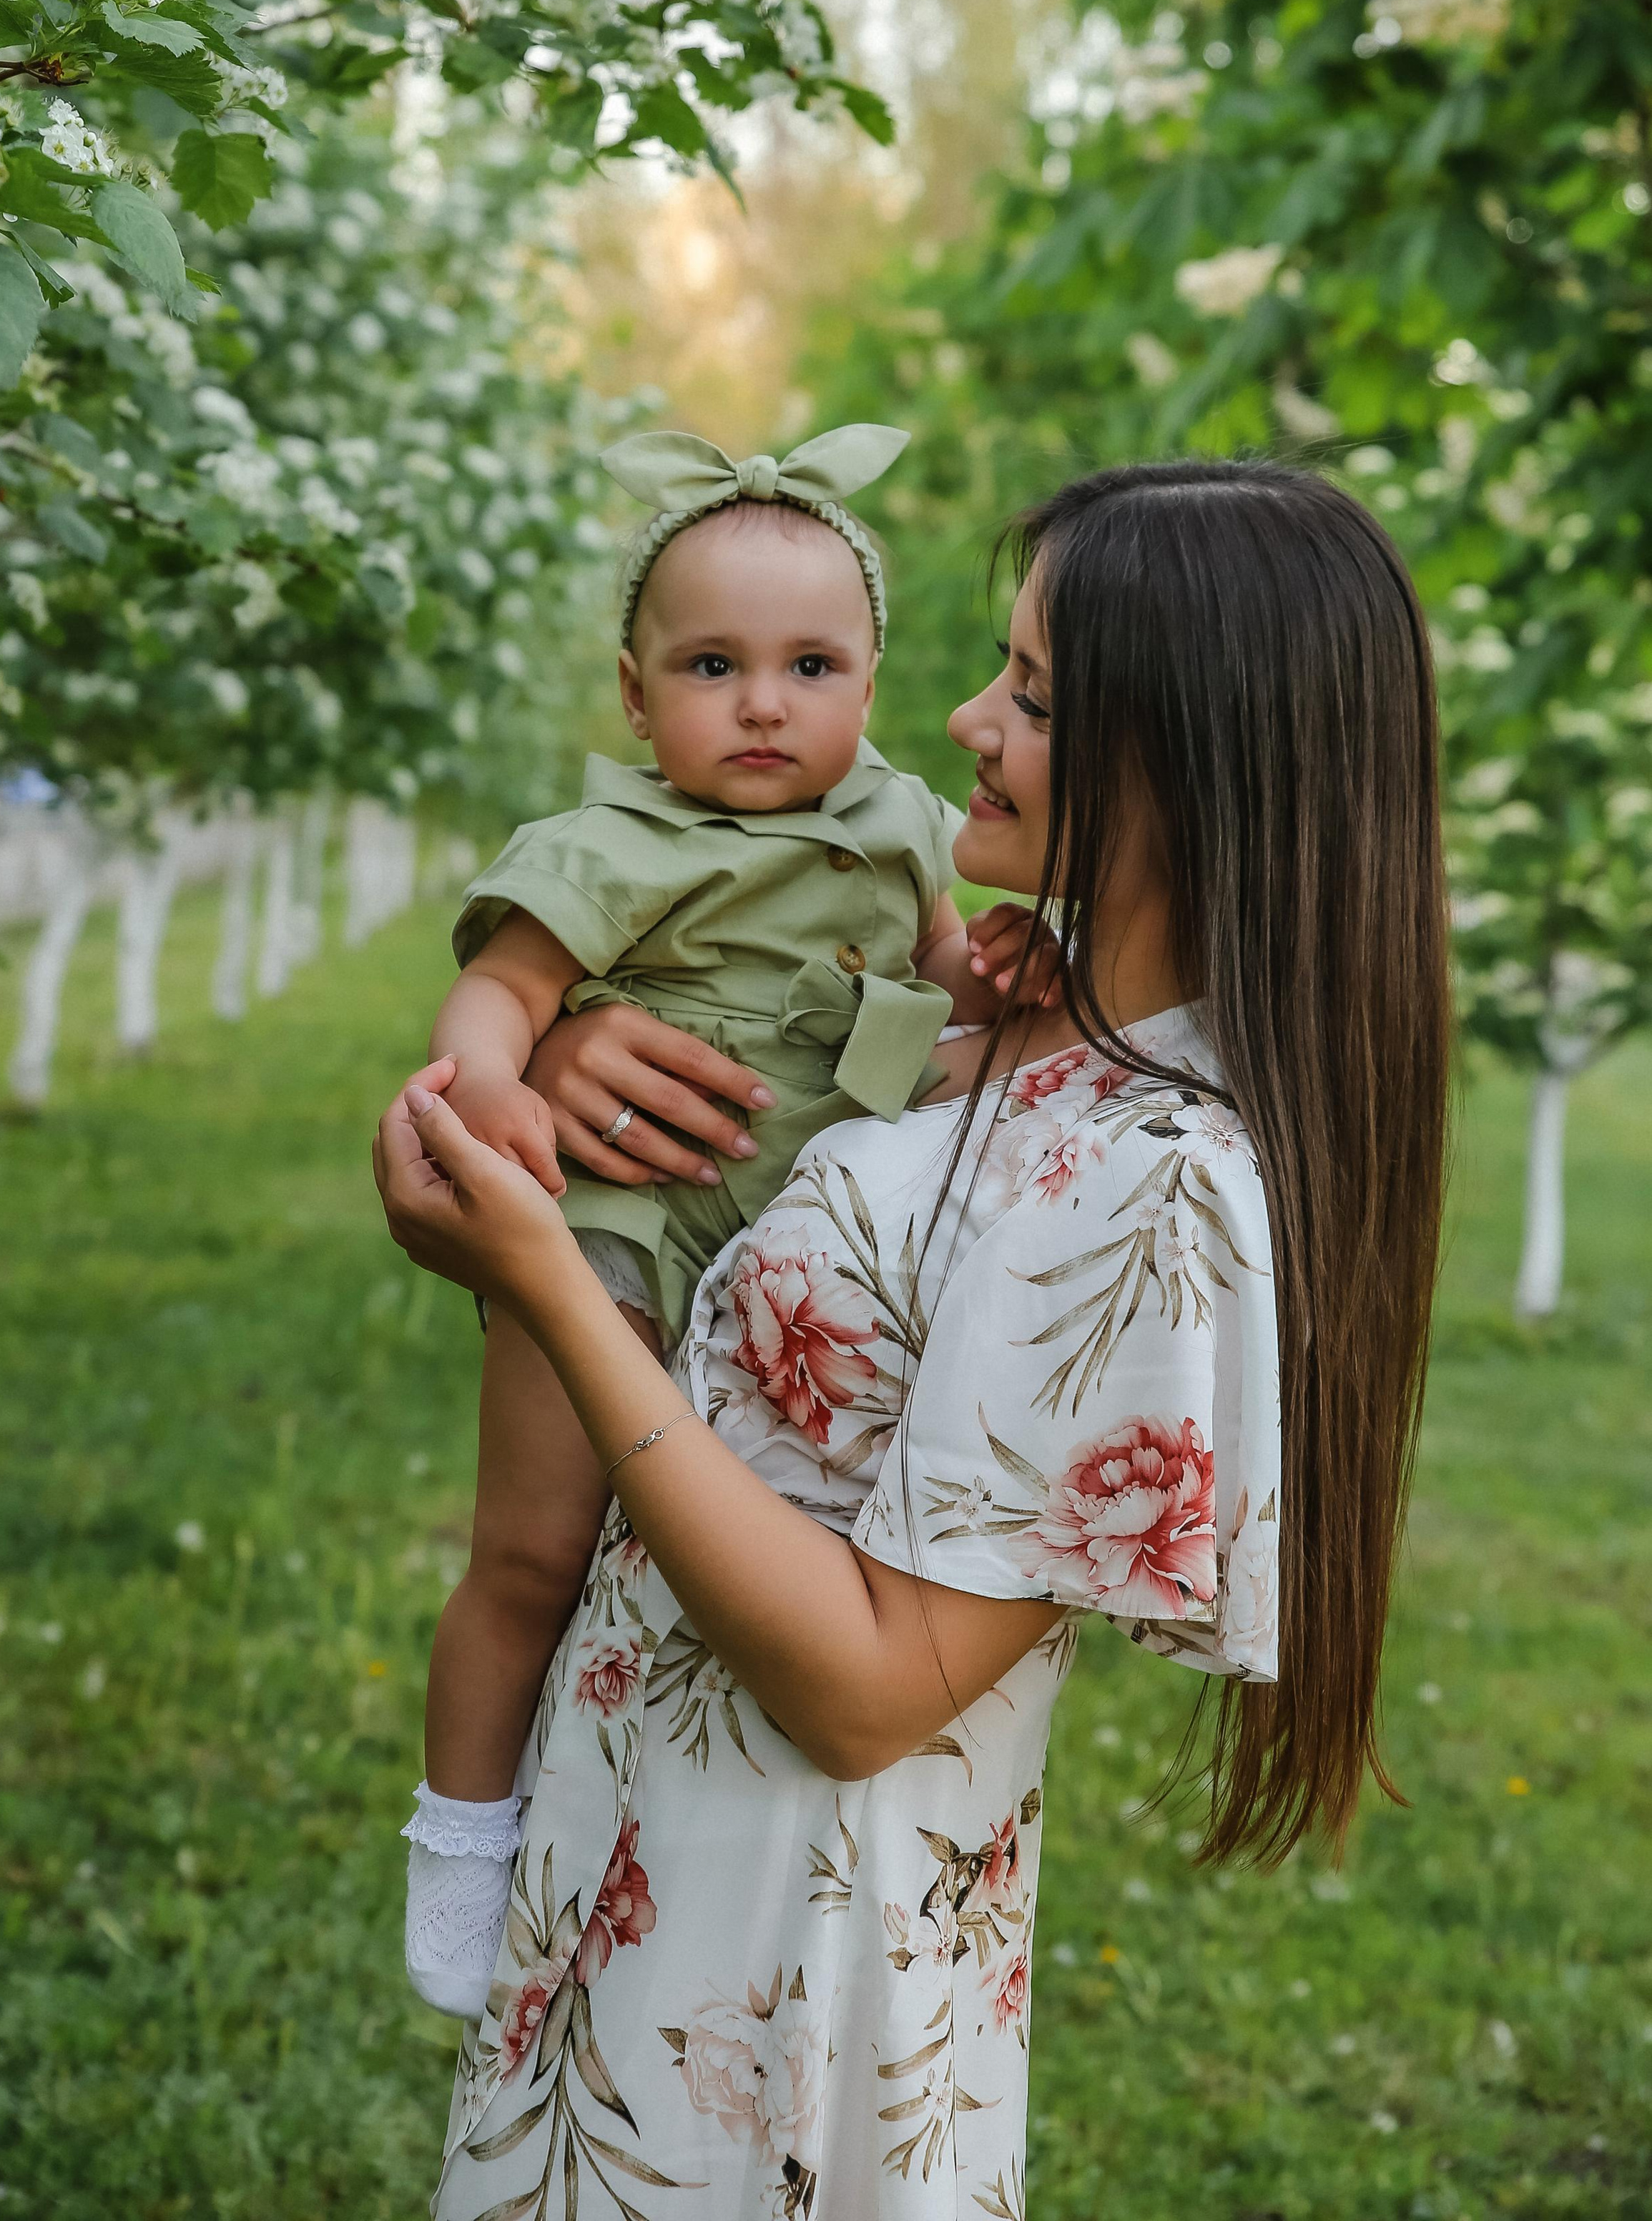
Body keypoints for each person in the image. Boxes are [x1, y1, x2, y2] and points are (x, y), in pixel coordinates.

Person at [374, 457, 1452, 2216]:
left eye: (1027, 694)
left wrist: (560, 1289)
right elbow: (739, 1292)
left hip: (785, 1953)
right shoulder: (1009, 1027)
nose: (958, 715)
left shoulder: (1156, 1183)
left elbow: (872, 1691)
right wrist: (566, 1078)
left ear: (1182, 756)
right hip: (630, 1846)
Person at [404, 424, 1042, 2016]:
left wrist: (1000, 979)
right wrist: (490, 1084)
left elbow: (944, 972)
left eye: (810, 664)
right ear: (635, 696)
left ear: (871, 681)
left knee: (692, 1555)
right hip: (619, 1218)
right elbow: (499, 992)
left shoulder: (899, 825)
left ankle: (601, 1817)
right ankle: (459, 1840)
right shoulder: (609, 845)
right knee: (537, 1545)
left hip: (787, 1227)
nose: (763, 704)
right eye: (710, 664)